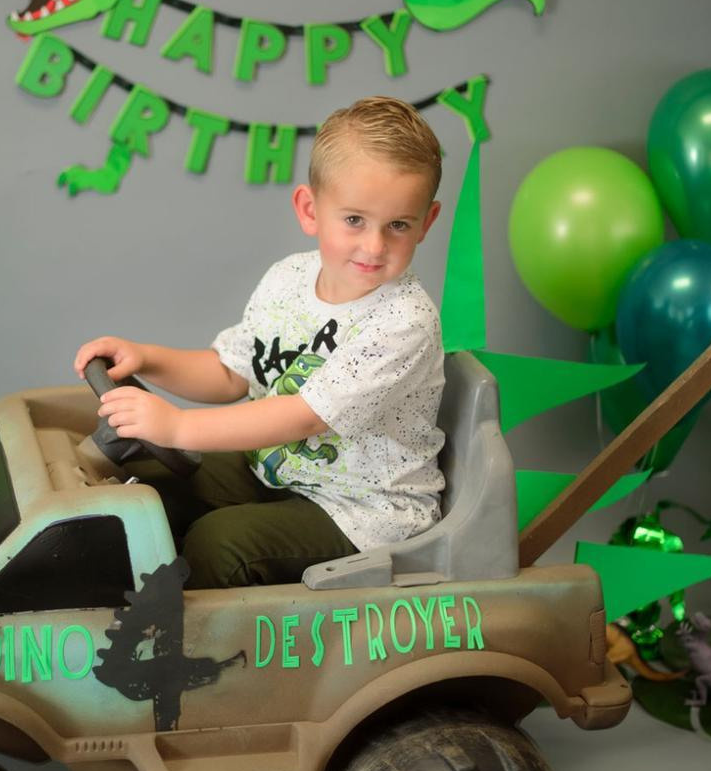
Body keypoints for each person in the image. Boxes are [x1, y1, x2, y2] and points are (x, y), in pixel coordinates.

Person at [73, 96, 449, 589]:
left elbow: (306, 415)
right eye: (354, 220)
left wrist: (180, 425)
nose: (374, 246)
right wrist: (148, 358)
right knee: (148, 490)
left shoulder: (404, 321)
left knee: (220, 545)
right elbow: (232, 372)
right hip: (276, 466)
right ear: (310, 210)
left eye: (398, 225)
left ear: (427, 222)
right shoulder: (289, 279)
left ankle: (182, 653)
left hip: (361, 508)